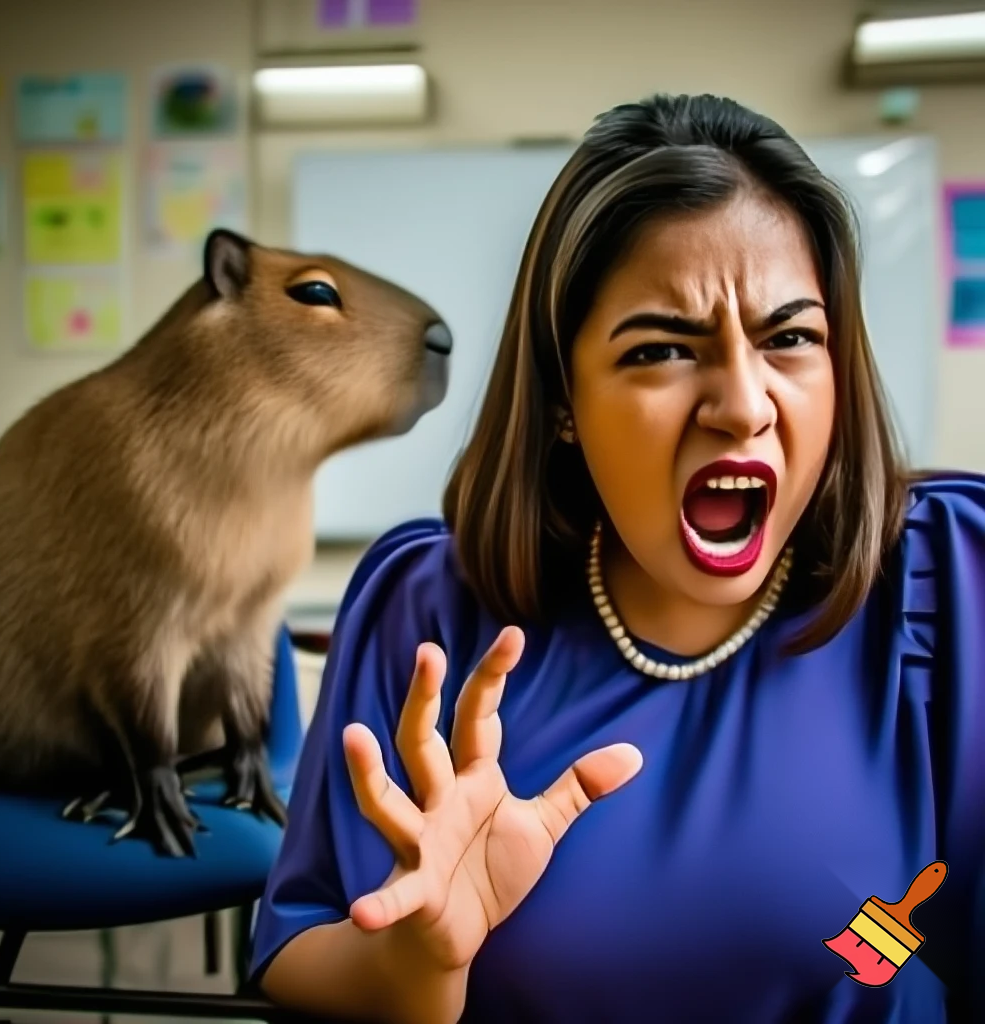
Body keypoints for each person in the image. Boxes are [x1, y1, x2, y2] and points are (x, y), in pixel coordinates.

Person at [250, 93, 985, 1023]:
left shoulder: (943, 583)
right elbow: (296, 945)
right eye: (661, 351)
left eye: (791, 338)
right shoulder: (430, 609)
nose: (742, 404)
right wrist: (415, 964)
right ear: (564, 399)